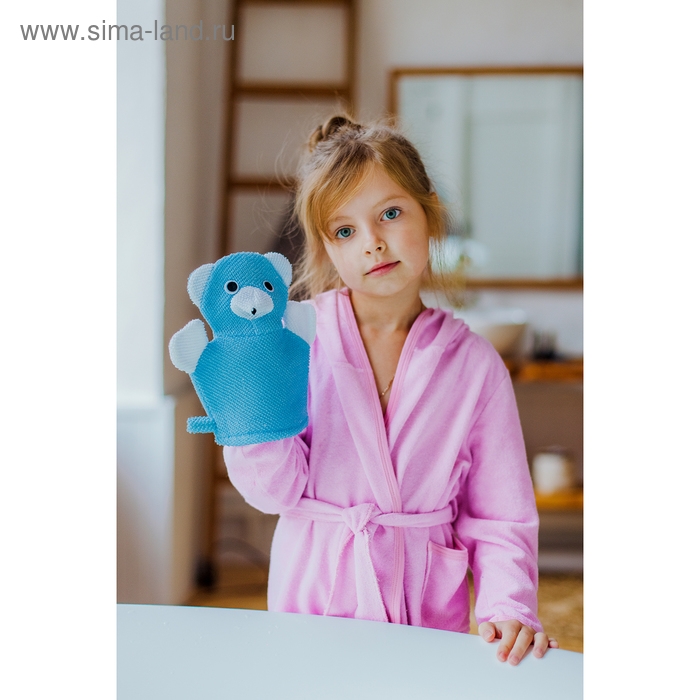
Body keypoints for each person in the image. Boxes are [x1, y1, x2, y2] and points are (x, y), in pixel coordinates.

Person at [223, 115, 559, 665]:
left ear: (430, 213)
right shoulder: (291, 344)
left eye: (391, 214)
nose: (373, 243)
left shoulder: (475, 366)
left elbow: (500, 516)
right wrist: (248, 408)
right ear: (326, 248)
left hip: (424, 612)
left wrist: (508, 605)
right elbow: (272, 493)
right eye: (345, 231)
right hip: (313, 600)